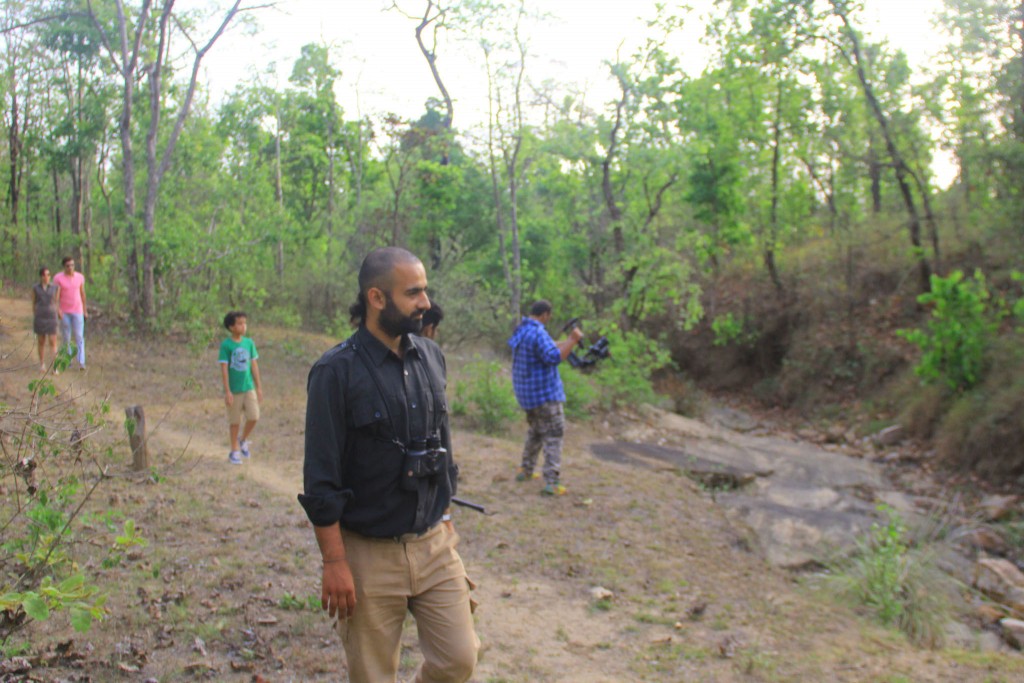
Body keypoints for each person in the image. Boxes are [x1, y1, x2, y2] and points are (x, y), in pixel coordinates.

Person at [299, 247, 478, 683]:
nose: (425, 303)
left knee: (459, 660)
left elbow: (444, 447)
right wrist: (334, 562)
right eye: (413, 292)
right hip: (368, 554)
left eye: (425, 290)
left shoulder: (431, 357)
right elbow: (321, 479)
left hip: (433, 544)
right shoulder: (334, 372)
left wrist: (447, 514)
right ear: (376, 298)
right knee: (374, 674)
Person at [508, 299, 584, 496]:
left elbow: (549, 347)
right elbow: (553, 357)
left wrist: (567, 341)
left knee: (536, 432)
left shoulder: (522, 330)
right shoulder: (538, 331)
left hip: (527, 397)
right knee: (554, 434)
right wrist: (574, 340)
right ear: (545, 315)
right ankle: (552, 482)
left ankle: (525, 470)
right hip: (545, 396)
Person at [218, 311, 263, 465]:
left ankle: (242, 439)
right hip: (234, 389)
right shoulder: (226, 345)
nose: (243, 326)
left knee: (254, 416)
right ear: (231, 327)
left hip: (248, 386)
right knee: (235, 421)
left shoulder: (249, 343)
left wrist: (258, 387)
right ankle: (234, 450)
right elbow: (224, 368)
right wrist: (227, 391)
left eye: (244, 323)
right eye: (239, 323)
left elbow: (254, 365)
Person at [53, 256, 87, 371]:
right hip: (65, 311)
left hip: (78, 310)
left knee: (79, 336)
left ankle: (81, 361)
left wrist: (85, 310)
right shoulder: (58, 278)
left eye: (72, 265)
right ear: (64, 266)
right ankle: (68, 360)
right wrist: (57, 309)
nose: (70, 268)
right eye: (68, 266)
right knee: (66, 337)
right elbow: (56, 296)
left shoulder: (80, 277)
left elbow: (82, 294)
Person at [31, 267, 60, 372]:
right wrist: (36, 313)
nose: (46, 277)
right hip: (40, 316)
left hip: (51, 317)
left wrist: (58, 312)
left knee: (53, 341)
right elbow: (34, 302)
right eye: (44, 275)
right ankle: (42, 364)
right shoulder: (35, 288)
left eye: (48, 275)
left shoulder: (55, 287)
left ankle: (55, 366)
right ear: (41, 276)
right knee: (41, 341)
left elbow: (56, 302)